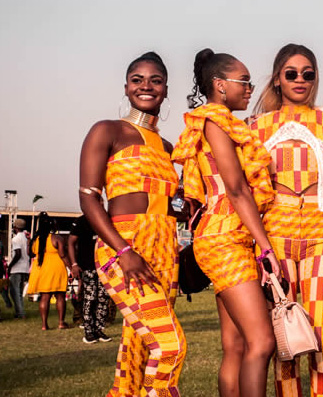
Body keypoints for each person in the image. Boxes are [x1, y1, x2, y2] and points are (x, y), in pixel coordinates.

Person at [250, 43, 323, 397]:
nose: (300, 79)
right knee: (286, 338)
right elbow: (250, 187)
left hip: (322, 232)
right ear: (277, 79)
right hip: (274, 234)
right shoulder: (255, 127)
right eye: (291, 74)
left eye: (308, 73)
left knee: (320, 337)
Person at [172, 48, 281, 397]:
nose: (250, 89)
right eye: (243, 81)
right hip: (225, 238)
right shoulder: (216, 122)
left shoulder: (216, 122)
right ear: (220, 84)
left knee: (235, 346)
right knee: (262, 342)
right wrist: (266, 247)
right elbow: (236, 189)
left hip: (222, 236)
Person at [79, 51, 186, 395]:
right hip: (123, 246)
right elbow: (89, 198)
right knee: (169, 346)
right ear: (126, 87)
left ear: (166, 89)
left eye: (156, 80)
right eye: (137, 80)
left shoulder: (167, 146)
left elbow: (170, 205)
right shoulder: (107, 130)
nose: (146, 86)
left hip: (164, 246)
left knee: (137, 348)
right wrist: (124, 252)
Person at [68, 214, 112, 343]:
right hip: (87, 265)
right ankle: (88, 331)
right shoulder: (82, 221)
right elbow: (71, 242)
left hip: (105, 266)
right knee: (90, 297)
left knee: (103, 298)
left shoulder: (106, 218)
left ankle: (99, 329)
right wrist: (74, 264)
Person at [26, 212, 70, 330]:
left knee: (45, 296)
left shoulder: (35, 239)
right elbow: (63, 255)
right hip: (56, 268)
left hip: (41, 269)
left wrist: (29, 241)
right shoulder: (57, 238)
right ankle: (61, 323)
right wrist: (72, 267)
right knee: (60, 296)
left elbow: (29, 253)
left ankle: (44, 325)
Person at [8, 218, 30, 319]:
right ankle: (20, 312)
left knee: (14, 291)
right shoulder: (26, 238)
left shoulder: (15, 239)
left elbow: (18, 254)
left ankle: (20, 313)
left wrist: (10, 265)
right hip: (25, 267)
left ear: (16, 227)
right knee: (19, 292)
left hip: (17, 268)